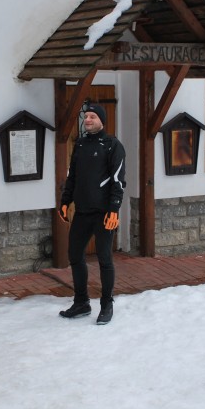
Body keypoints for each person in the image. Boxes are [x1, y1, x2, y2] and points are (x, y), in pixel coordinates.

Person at [58, 102, 126, 325]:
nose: (87, 120)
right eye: (86, 116)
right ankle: (81, 303)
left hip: (104, 213)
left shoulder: (112, 145)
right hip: (83, 212)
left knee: (105, 258)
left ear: (101, 121)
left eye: (92, 117)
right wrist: (65, 201)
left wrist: (114, 209)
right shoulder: (80, 144)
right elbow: (73, 176)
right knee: (75, 255)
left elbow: (118, 181)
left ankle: (106, 304)